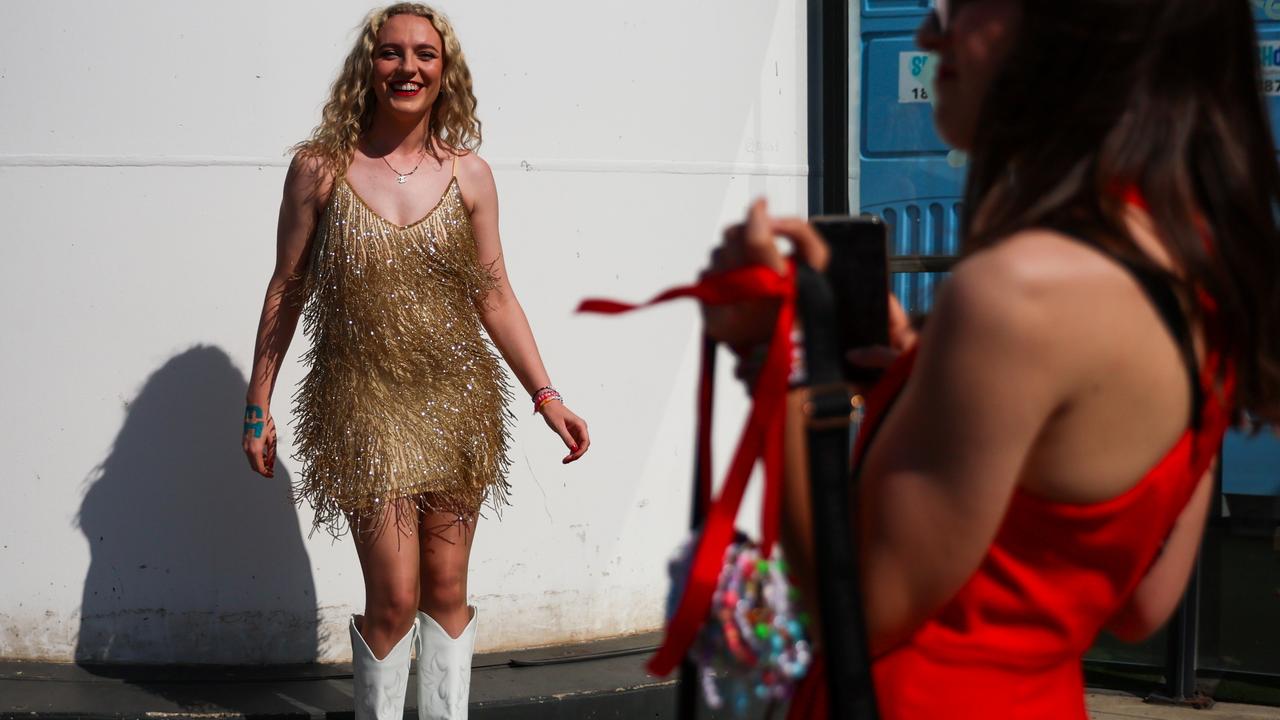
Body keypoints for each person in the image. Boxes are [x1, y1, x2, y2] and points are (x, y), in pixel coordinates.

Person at [704, 0, 1280, 717]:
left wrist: (781, 353)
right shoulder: (1202, 275)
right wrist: (921, 374)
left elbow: (852, 615)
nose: (929, 29)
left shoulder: (1016, 294)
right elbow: (1141, 600)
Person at [240, 4, 590, 718]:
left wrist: (546, 394)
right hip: (362, 403)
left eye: (424, 55)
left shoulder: (471, 175)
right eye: (392, 53)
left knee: (445, 588)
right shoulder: (320, 169)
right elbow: (287, 288)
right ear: (368, 66)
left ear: (444, 70)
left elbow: (494, 294)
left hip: (456, 402)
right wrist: (257, 404)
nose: (408, 68)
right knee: (394, 598)